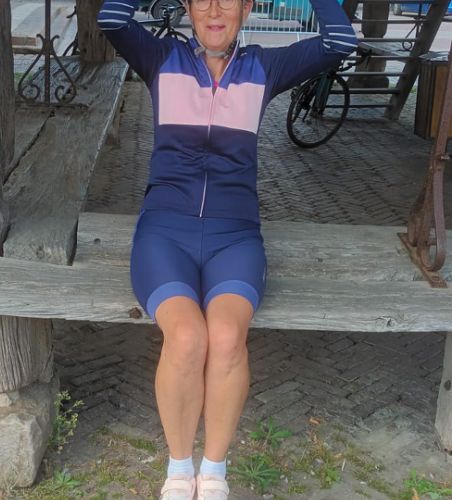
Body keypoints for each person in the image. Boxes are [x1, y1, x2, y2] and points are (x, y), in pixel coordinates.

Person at [97, 0, 357, 497]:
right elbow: (112, 18)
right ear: (188, 7)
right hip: (164, 235)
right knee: (187, 338)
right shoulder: (161, 60)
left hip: (234, 237)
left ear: (247, 7)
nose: (215, 10)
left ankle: (214, 470)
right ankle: (178, 469)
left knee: (227, 337)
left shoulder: (264, 67)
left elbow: (339, 41)